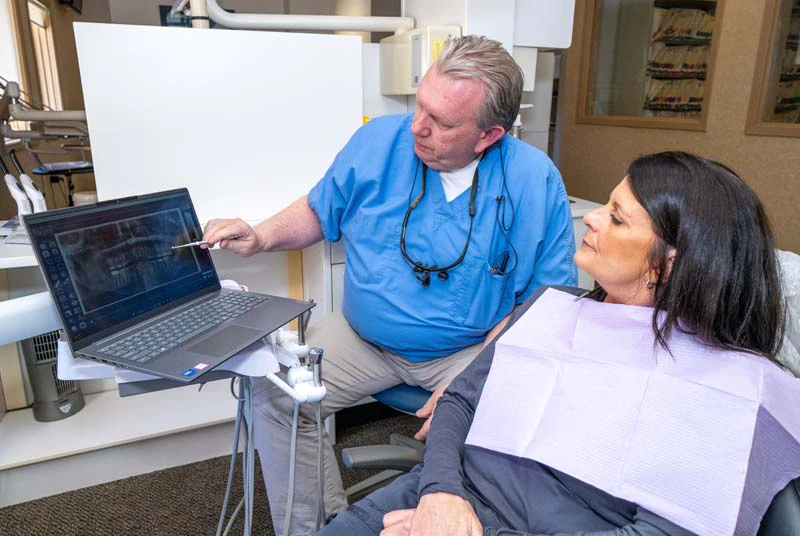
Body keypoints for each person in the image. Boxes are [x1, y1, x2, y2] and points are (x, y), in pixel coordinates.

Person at [203, 35, 577, 534]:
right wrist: (261, 234)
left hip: (471, 351)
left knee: (501, 438)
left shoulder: (535, 180)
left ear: (488, 135)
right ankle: (323, 526)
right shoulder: (379, 140)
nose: (418, 127)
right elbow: (320, 207)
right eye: (421, 104)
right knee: (275, 395)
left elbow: (545, 301)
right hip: (363, 339)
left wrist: (472, 383)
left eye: (442, 122)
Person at [317, 151, 800, 536]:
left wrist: (478, 530)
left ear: (667, 266)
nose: (591, 219)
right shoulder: (551, 308)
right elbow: (460, 402)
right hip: (437, 494)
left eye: (617, 218)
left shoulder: (729, 391)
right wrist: (440, 494)